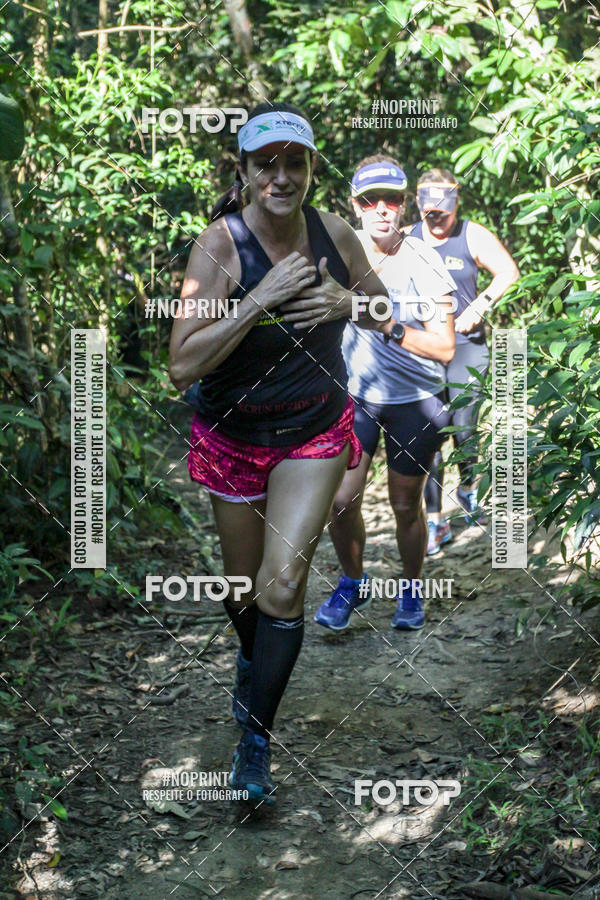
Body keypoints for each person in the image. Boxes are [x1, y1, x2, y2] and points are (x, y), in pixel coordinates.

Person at [169, 103, 394, 804]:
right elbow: (181, 366)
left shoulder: (335, 234)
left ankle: (255, 743)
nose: (281, 176)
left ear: (311, 169)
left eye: (295, 162)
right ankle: (252, 662)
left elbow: (387, 313)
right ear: (243, 171)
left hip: (313, 431)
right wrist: (255, 301)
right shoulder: (221, 246)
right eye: (266, 164)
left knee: (283, 584)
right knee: (243, 591)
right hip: (232, 435)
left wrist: (345, 305)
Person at [314, 155, 457, 634]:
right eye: (369, 200)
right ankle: (353, 582)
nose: (380, 209)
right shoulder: (339, 252)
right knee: (340, 501)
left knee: (404, 505)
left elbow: (445, 347)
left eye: (391, 199)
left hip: (417, 400)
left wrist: (389, 324)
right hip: (356, 398)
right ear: (354, 205)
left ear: (404, 204)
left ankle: (411, 589)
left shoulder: (424, 259)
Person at [411, 169, 520, 555]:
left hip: (467, 346)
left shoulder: (471, 234)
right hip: (423, 349)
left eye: (444, 211)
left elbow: (508, 271)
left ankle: (469, 487)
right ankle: (436, 521)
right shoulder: (406, 239)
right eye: (430, 211)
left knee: (464, 426)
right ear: (419, 205)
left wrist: (480, 304)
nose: (437, 218)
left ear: (456, 204)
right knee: (429, 432)